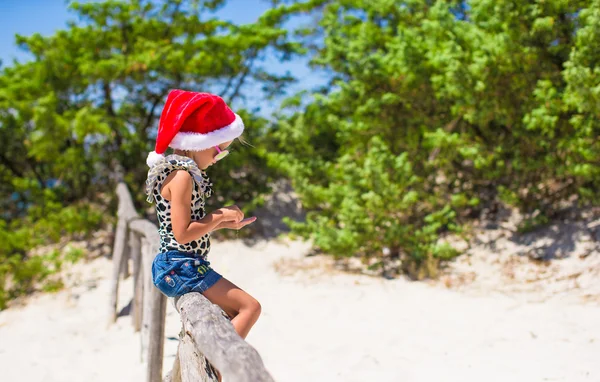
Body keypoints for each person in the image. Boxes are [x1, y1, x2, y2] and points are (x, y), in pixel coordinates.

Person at [145, 89, 261, 342]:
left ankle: (214, 366)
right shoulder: (183, 176)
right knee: (250, 308)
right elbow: (183, 234)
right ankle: (220, 369)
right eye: (219, 150)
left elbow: (182, 228)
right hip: (179, 266)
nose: (219, 158)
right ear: (200, 143)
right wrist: (218, 216)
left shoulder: (177, 171)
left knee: (234, 311)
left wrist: (221, 225)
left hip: (179, 263)